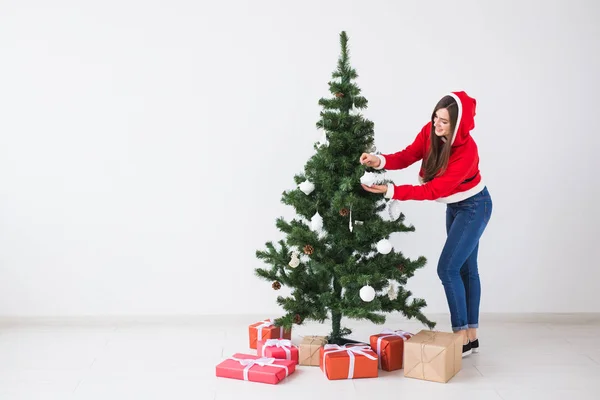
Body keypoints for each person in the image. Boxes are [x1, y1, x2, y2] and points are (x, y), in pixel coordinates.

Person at [359, 91, 492, 357]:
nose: (436, 124)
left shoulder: (466, 152)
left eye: (444, 121)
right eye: (435, 117)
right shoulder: (430, 133)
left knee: (449, 269)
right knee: (464, 268)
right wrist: (380, 160)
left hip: (475, 206)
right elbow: (409, 155)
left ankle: (462, 338)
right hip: (455, 206)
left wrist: (390, 191)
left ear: (458, 125)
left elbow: (432, 191)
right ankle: (471, 336)